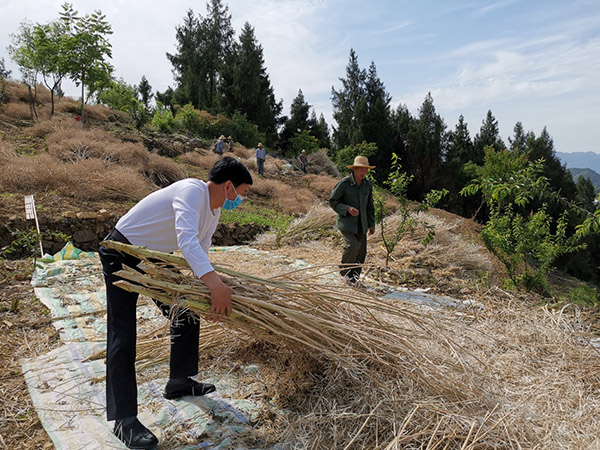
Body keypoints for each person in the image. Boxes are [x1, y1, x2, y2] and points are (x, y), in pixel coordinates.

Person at [99, 157, 252, 449]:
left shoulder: (214, 209)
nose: (241, 199)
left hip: (154, 255)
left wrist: (206, 293)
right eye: (242, 192)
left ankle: (179, 381)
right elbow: (186, 241)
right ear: (229, 186)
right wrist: (216, 285)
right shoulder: (192, 191)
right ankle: (124, 420)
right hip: (123, 251)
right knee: (123, 333)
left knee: (187, 312)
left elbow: (201, 250)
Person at [329, 155, 375, 286]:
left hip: (362, 224)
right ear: (354, 169)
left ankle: (354, 277)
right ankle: (344, 273)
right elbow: (333, 201)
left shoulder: (367, 185)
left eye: (366, 170)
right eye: (361, 169)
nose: (363, 172)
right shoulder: (344, 184)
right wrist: (347, 208)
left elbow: (370, 206)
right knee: (353, 245)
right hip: (347, 223)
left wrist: (371, 224)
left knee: (361, 251)